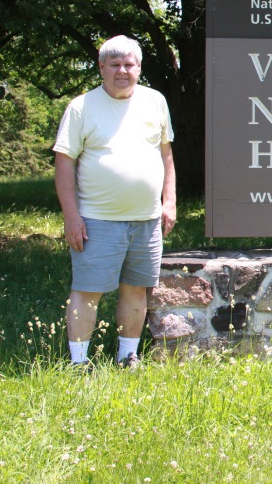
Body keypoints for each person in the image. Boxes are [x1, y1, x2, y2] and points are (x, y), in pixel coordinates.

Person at [53, 35, 176, 368]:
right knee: (88, 291)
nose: (122, 71)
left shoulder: (155, 101)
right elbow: (64, 163)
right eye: (114, 64)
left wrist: (170, 201)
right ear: (101, 67)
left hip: (147, 219)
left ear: (139, 67)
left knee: (136, 289)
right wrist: (71, 217)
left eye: (129, 64)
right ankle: (78, 364)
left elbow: (166, 154)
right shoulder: (81, 106)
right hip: (96, 219)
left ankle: (128, 355)